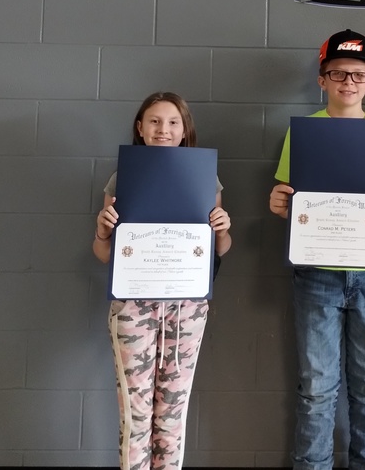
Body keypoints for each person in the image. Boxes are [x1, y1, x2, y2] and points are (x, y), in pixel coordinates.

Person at [269, 29, 365, 470]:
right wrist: (278, 203)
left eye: (357, 74)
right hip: (316, 275)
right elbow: (289, 201)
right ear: (322, 79)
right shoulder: (304, 134)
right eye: (338, 74)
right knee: (316, 386)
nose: (348, 83)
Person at [93, 91, 232, 470]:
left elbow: (219, 249)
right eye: (154, 121)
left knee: (172, 413)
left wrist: (222, 228)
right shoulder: (122, 177)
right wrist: (104, 232)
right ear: (140, 127)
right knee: (135, 414)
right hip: (133, 307)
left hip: (186, 307)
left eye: (172, 122)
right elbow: (104, 254)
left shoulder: (204, 176)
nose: (163, 129)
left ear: (185, 129)